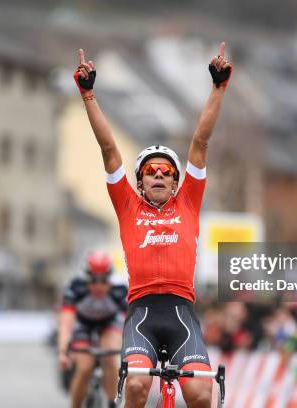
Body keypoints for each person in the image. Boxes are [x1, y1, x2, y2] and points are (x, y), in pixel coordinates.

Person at [73, 42, 232, 407]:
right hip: (142, 313)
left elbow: (200, 141)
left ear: (176, 182)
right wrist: (89, 96)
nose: (158, 175)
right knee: (137, 386)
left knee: (200, 392)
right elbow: (109, 149)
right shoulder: (127, 205)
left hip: (182, 313)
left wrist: (218, 89)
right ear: (140, 182)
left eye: (166, 172)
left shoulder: (188, 201)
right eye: (149, 171)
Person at [57, 251, 128, 408]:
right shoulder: (76, 288)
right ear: (86, 278)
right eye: (94, 280)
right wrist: (63, 351)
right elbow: (66, 322)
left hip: (109, 324)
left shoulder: (119, 290)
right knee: (84, 367)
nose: (98, 285)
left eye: (103, 280)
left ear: (110, 278)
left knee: (109, 356)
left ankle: (112, 404)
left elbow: (130, 323)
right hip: (83, 325)